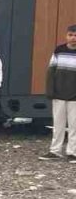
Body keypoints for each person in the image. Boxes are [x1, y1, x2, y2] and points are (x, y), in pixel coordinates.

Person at [40, 24, 76, 162]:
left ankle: (72, 152)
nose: (73, 38)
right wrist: (50, 91)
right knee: (58, 125)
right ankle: (55, 151)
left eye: (75, 35)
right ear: (66, 36)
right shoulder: (59, 51)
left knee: (74, 126)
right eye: (70, 35)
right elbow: (51, 71)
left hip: (75, 97)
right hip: (59, 94)